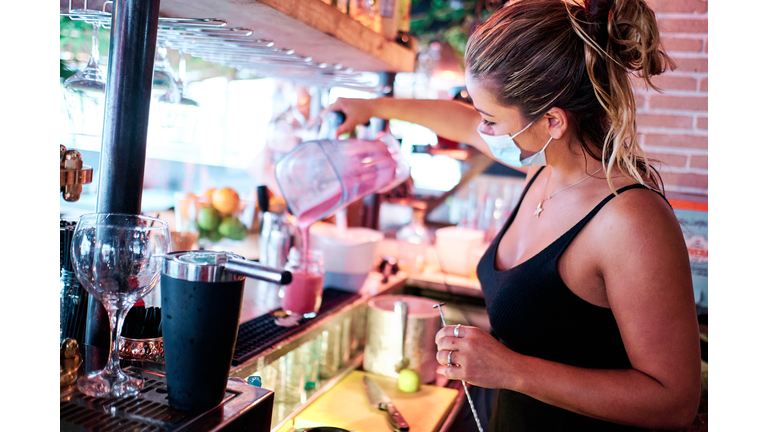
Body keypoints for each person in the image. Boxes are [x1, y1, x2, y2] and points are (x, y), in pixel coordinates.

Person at [328, 0, 701, 430]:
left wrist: (511, 370)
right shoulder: (542, 170)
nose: (482, 131)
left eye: (491, 119)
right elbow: (463, 124)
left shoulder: (630, 220)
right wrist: (374, 108)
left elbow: (674, 402)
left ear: (552, 121)